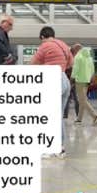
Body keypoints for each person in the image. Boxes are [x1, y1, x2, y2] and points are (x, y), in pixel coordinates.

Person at [30, 26, 72, 158]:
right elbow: (71, 62)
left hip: (53, 79)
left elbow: (33, 64)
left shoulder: (45, 45)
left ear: (42, 37)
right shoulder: (63, 45)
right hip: (64, 79)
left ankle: (51, 148)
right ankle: (60, 147)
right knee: (57, 116)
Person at [71, 44, 97, 126]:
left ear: (76, 49)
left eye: (73, 51)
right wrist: (90, 78)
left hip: (80, 81)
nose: (73, 52)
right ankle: (79, 119)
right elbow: (92, 69)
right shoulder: (89, 58)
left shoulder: (78, 57)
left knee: (82, 100)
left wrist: (72, 78)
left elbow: (75, 69)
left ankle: (95, 116)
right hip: (87, 81)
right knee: (82, 100)